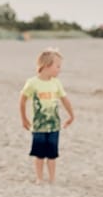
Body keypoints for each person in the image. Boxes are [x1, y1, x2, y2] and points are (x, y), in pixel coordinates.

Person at [18, 49, 75, 183]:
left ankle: (52, 178)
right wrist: (24, 119)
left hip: (54, 125)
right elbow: (22, 100)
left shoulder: (56, 83)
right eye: (58, 66)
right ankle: (39, 178)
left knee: (52, 154)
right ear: (47, 65)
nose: (60, 69)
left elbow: (65, 100)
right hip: (39, 126)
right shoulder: (32, 83)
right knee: (39, 154)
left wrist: (71, 115)